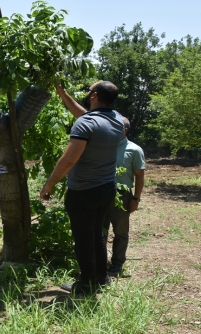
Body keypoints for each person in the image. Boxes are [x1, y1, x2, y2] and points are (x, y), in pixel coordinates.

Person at [40, 81, 125, 295]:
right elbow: (86, 116)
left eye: (89, 92)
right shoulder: (117, 119)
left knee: (83, 239)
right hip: (106, 188)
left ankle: (86, 284)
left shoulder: (86, 124)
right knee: (96, 234)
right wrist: (63, 94)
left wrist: (49, 184)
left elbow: (69, 160)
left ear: (94, 95)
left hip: (83, 192)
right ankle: (101, 277)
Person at [104, 117, 145, 275]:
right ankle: (100, 263)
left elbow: (140, 176)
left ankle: (117, 264)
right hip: (101, 193)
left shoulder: (134, 150)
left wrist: (135, 198)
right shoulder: (104, 146)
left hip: (122, 195)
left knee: (120, 232)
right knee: (100, 230)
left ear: (125, 130)